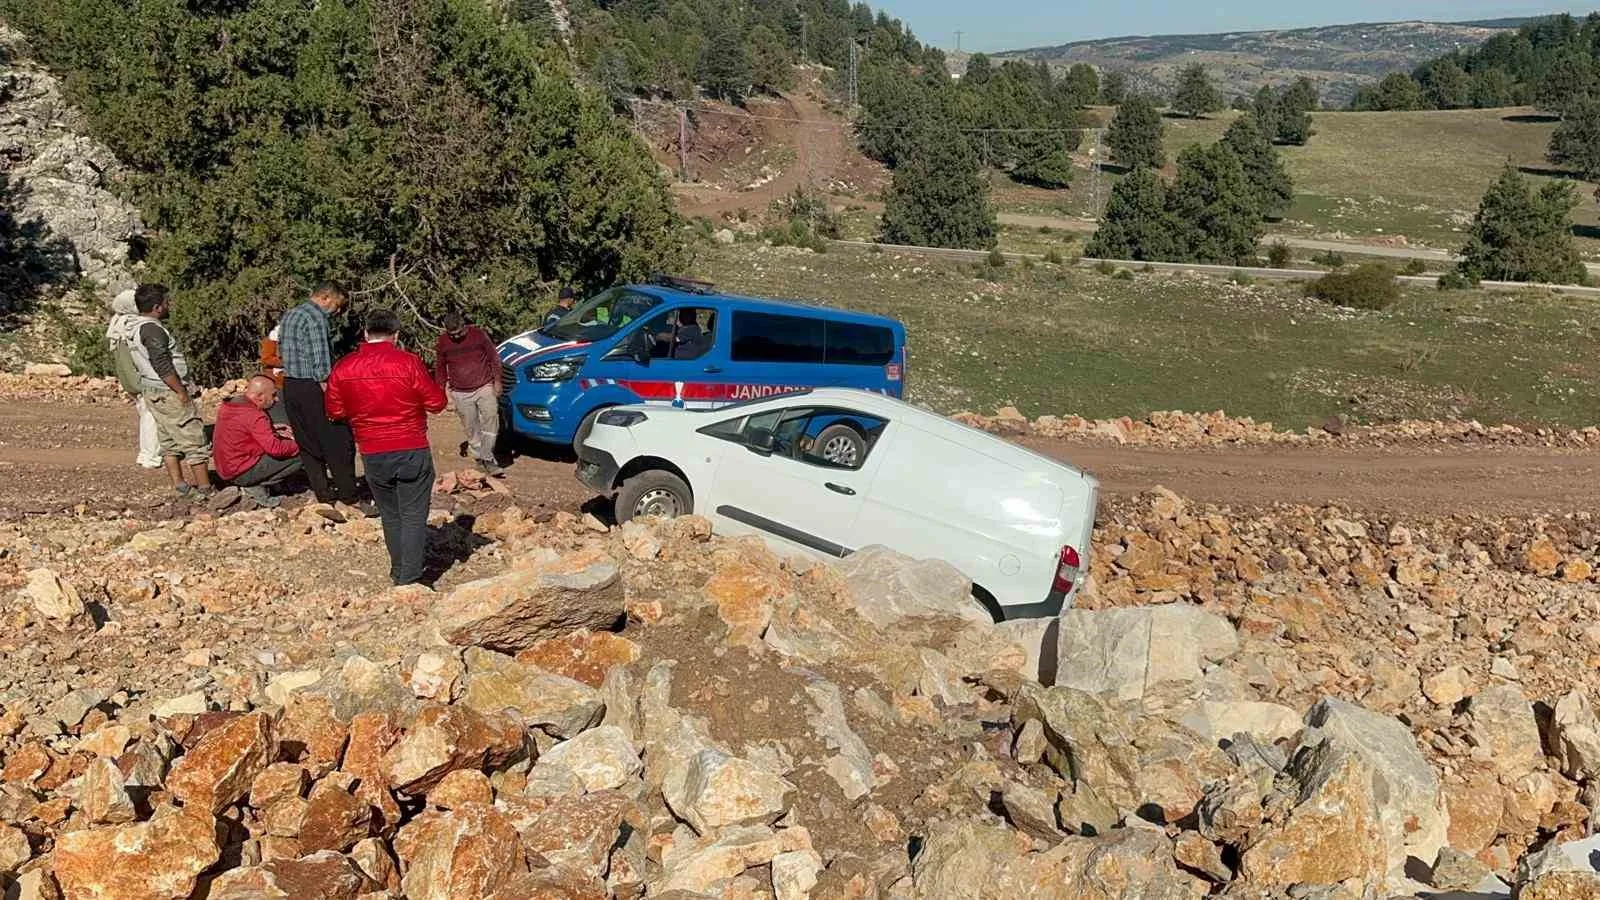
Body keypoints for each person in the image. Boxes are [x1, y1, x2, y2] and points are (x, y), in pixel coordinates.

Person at [326, 309, 447, 587]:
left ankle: (399, 570)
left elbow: (334, 409)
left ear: (366, 334)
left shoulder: (344, 367)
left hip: (372, 450)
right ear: (396, 336)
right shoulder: (409, 363)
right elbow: (436, 403)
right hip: (411, 445)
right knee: (414, 514)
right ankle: (410, 577)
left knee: (391, 515)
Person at [127, 284, 213, 500]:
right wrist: (181, 390)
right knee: (193, 436)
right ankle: (205, 488)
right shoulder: (153, 329)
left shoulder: (134, 326)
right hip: (166, 390)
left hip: (151, 389)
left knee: (167, 438)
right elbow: (162, 363)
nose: (169, 306)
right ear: (157, 307)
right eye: (166, 303)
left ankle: (180, 484)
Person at [278, 282, 361, 505]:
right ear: (326, 298)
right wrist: (332, 395)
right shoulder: (316, 318)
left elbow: (280, 351)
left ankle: (323, 492)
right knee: (337, 439)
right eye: (337, 305)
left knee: (307, 441)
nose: (337, 312)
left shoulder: (290, 314)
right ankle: (348, 494)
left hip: (291, 384)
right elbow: (321, 362)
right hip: (313, 386)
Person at [213, 375, 302, 508]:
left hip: (226, 467)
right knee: (303, 453)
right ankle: (256, 485)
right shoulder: (255, 415)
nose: (276, 399)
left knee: (284, 443)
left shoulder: (231, 406)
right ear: (260, 397)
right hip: (241, 471)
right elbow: (275, 449)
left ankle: (261, 481)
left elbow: (244, 432)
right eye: (273, 395)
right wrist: (301, 443)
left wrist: (272, 430)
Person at [434, 311, 503, 476]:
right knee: (471, 427)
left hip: (484, 385)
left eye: (459, 332)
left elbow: (494, 358)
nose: (456, 337)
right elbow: (440, 368)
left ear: (464, 325)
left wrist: (498, 381)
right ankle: (479, 457)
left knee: (491, 419)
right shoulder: (443, 342)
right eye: (452, 335)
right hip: (460, 391)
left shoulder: (478, 335)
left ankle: (487, 457)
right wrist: (442, 391)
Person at [106, 289, 161, 470]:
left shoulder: (117, 325)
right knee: (152, 417)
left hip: (129, 379)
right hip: (141, 379)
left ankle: (145, 453)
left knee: (145, 415)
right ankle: (152, 456)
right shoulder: (133, 326)